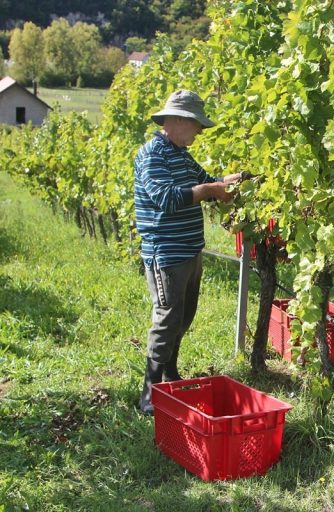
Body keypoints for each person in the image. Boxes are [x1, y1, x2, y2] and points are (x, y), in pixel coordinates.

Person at [134, 90, 241, 416]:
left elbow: (206, 182)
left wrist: (230, 182)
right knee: (167, 319)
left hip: (191, 252)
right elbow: (167, 199)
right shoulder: (153, 155)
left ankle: (170, 373)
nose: (200, 131)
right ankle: (149, 392)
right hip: (167, 254)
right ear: (179, 120)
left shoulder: (181, 154)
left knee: (184, 316)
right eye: (197, 124)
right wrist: (210, 189)